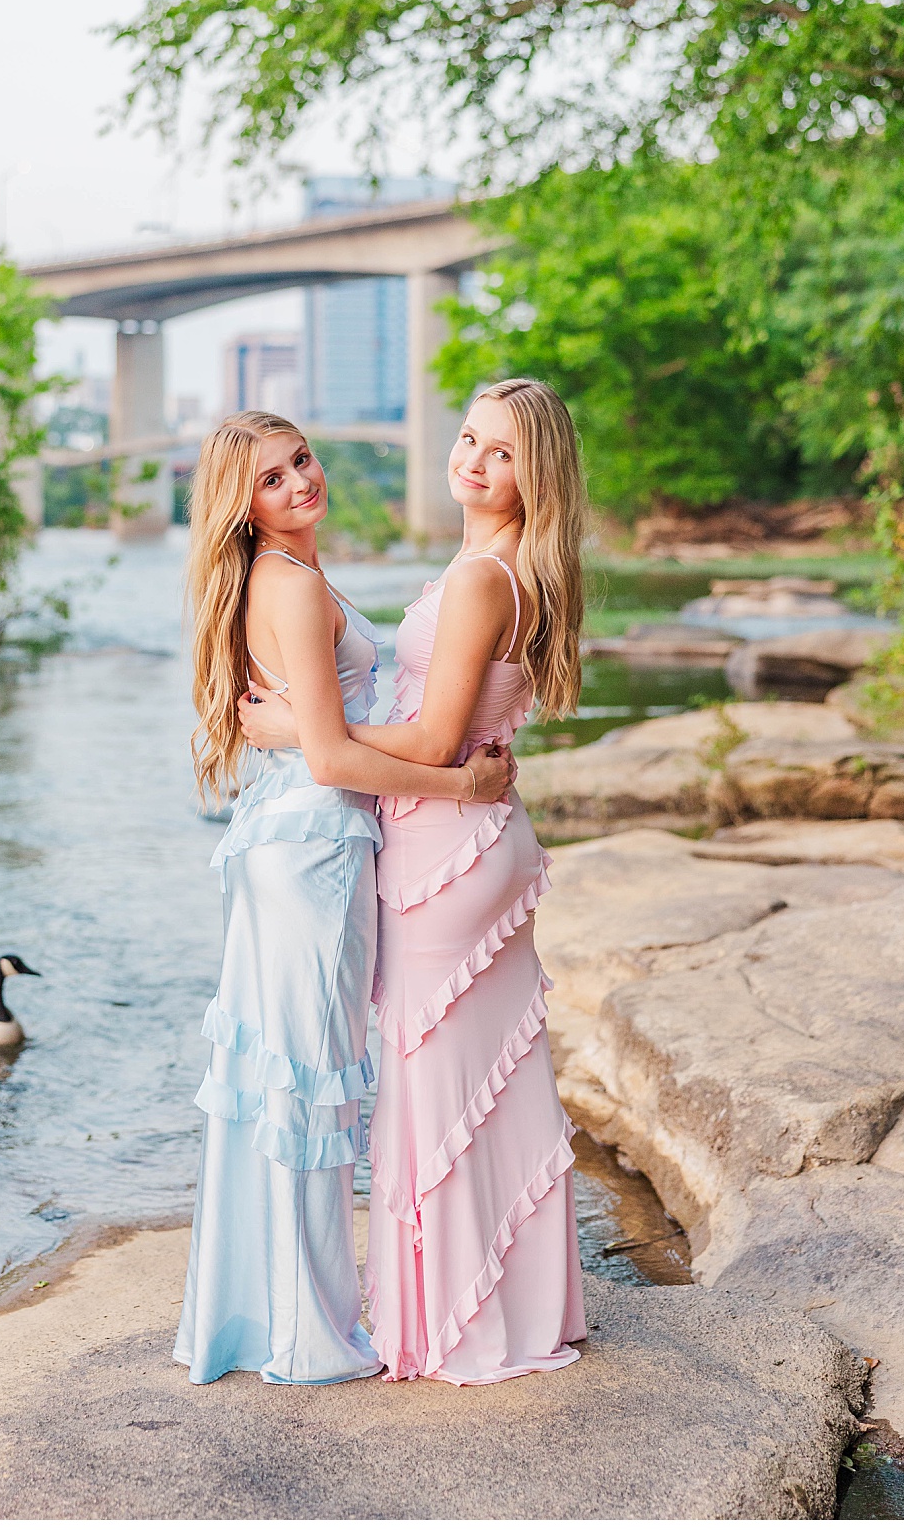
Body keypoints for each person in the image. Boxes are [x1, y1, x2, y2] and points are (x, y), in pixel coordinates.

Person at [240, 379, 588, 1383]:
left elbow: (438, 738)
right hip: (474, 832)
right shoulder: (502, 561)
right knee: (492, 1084)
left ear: (539, 473)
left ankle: (450, 1329)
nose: (475, 461)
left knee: (433, 1089)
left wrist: (293, 730)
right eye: (471, 438)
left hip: (449, 845)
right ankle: (516, 1310)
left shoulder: (484, 577)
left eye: (505, 452)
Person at [175, 411, 514, 1387]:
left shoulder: (293, 575)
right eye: (272, 480)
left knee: (284, 1084)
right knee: (308, 1090)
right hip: (316, 847)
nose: (298, 484)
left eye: (302, 461)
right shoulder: (285, 586)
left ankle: (262, 1319)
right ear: (243, 508)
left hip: (293, 839)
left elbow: (315, 732)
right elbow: (331, 752)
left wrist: (297, 728)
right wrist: (462, 783)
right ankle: (306, 1336)